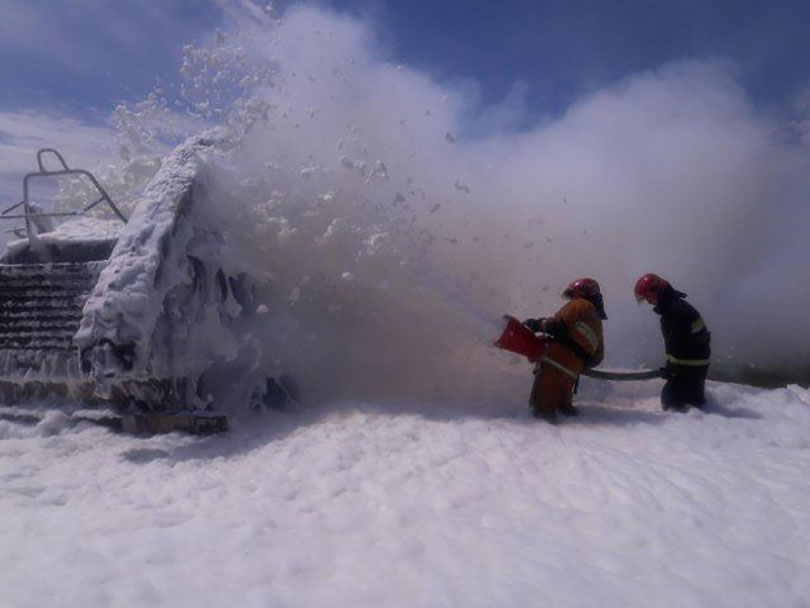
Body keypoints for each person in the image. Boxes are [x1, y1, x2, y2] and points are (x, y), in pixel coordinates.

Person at [523, 278, 606, 423]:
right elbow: (597, 358)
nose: (571, 299)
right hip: (572, 373)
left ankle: (538, 443)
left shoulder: (580, 304)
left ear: (581, 293)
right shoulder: (597, 322)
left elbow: (558, 325)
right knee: (563, 412)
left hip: (554, 361)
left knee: (540, 414)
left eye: (573, 295)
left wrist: (536, 324)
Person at [634, 273, 711, 411]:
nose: (648, 301)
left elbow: (679, 343)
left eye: (647, 297)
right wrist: (672, 367)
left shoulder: (673, 311)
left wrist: (674, 368)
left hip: (689, 366)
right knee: (692, 402)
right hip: (694, 364)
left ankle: (692, 428)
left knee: (672, 403)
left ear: (655, 292)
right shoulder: (675, 307)